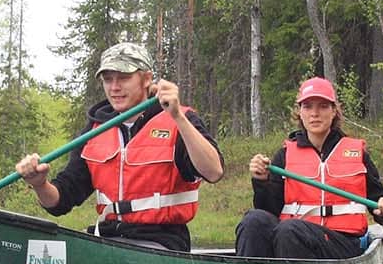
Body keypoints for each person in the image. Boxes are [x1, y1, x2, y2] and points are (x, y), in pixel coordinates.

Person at [14, 41, 225, 251]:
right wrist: (39, 184)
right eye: (108, 79)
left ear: (147, 79)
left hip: (161, 242)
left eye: (124, 78)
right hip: (106, 239)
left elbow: (214, 171)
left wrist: (177, 117)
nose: (114, 87)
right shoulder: (95, 129)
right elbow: (62, 200)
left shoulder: (181, 119)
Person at [236, 76, 383, 260]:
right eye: (308, 106)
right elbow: (269, 209)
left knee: (289, 230)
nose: (315, 113)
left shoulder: (356, 153)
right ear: (300, 113)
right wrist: (261, 181)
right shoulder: (285, 154)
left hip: (341, 242)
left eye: (322, 106)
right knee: (253, 221)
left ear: (334, 111)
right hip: (292, 237)